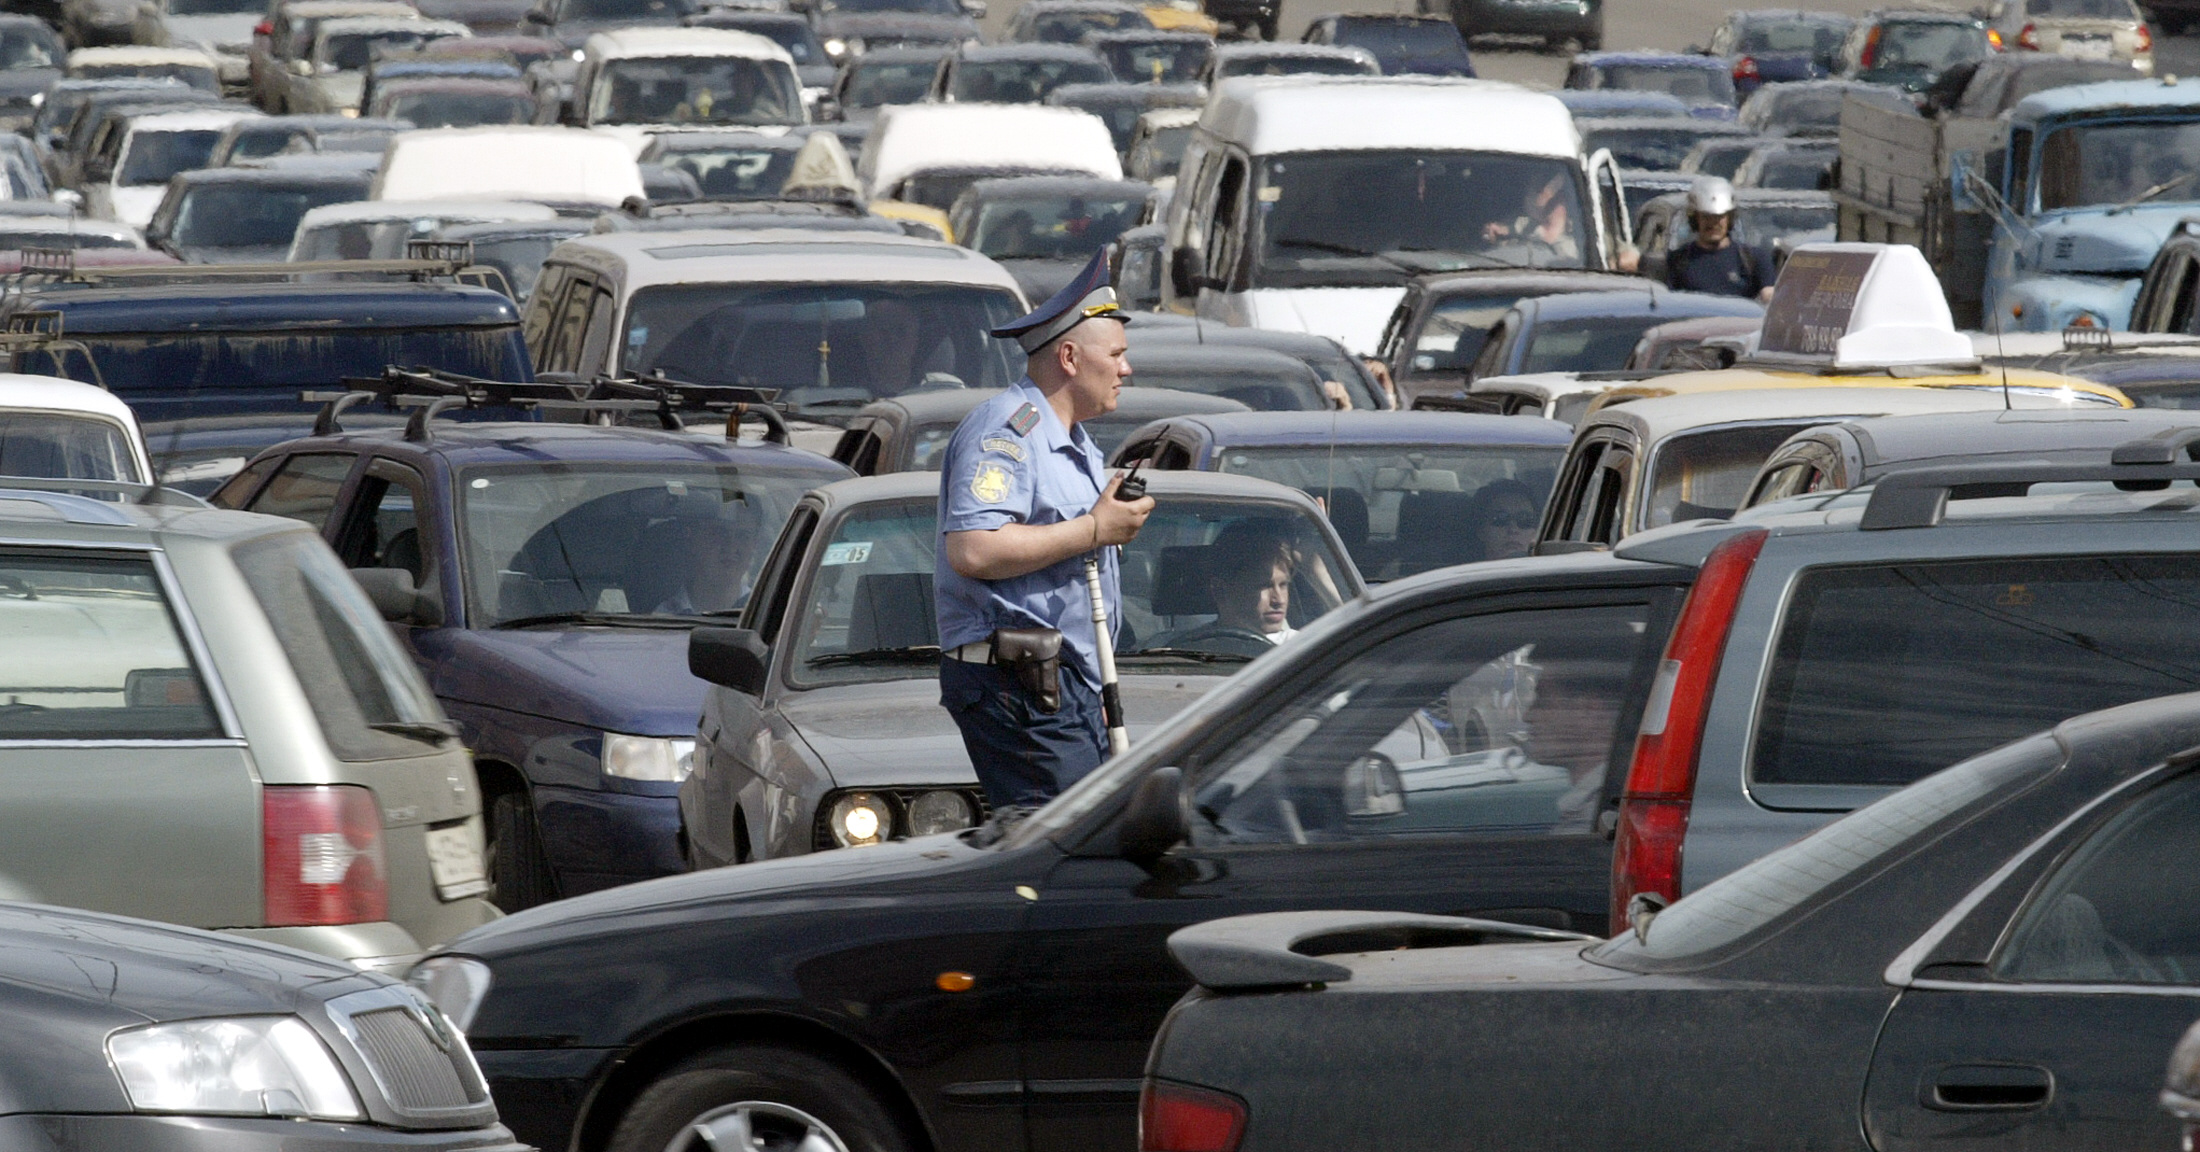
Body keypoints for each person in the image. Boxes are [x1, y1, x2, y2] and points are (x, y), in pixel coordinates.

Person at [935, 248, 1153, 811]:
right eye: (1118, 354)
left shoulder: (1075, 442)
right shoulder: (1006, 430)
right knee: (1061, 857)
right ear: (1072, 357)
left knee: (1083, 846)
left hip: (1059, 684)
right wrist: (1094, 529)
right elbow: (974, 550)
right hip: (1018, 686)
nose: (1127, 369)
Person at [1665, 176, 1776, 303]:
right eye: (1707, 217)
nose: (1713, 224)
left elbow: (1769, 296)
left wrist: (1769, 297)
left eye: (1719, 217)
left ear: (1730, 218)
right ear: (1695, 219)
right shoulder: (1678, 260)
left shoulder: (1753, 259)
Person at [1465, 479, 1541, 562]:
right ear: (1481, 530)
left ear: (1537, 531)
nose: (1513, 530)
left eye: (1525, 520)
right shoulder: (1458, 573)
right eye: (1500, 519)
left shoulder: (1552, 569)